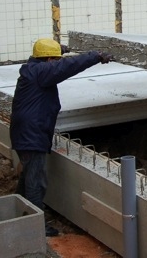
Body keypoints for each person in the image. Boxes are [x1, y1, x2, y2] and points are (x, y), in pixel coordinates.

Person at [10, 38, 113, 237]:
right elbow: (67, 67)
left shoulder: (33, 68)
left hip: (25, 132)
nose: (57, 62)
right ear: (48, 60)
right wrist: (95, 56)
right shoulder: (42, 72)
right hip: (32, 135)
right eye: (55, 59)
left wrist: (60, 50)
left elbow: (58, 64)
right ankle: (34, 227)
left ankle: (17, 211)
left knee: (27, 177)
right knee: (36, 182)